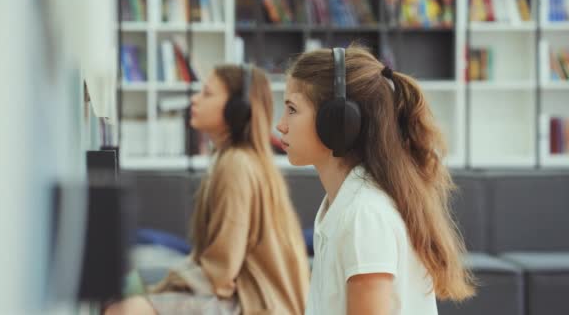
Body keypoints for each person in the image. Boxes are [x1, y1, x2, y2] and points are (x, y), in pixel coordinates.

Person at [276, 45, 475, 315]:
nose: (280, 125)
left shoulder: (364, 215)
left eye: (291, 109)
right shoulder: (344, 205)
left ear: (337, 120)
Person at [105, 64, 310, 314]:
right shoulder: (238, 159)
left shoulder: (236, 164)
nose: (195, 98)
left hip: (256, 304)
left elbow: (221, 272)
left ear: (237, 110)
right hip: (256, 299)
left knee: (126, 310)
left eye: (207, 93)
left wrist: (163, 289)